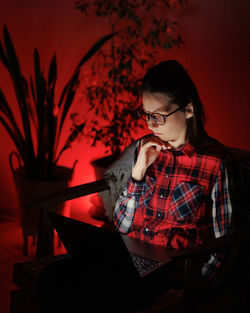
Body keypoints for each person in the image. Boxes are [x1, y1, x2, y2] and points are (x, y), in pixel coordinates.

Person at [38, 60, 233, 312]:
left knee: (98, 296)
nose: (150, 125)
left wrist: (192, 290)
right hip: (128, 262)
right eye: (145, 114)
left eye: (159, 116)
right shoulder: (146, 149)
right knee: (52, 277)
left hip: (170, 275)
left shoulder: (218, 164)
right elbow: (121, 225)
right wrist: (138, 174)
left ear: (189, 110)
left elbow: (227, 247)